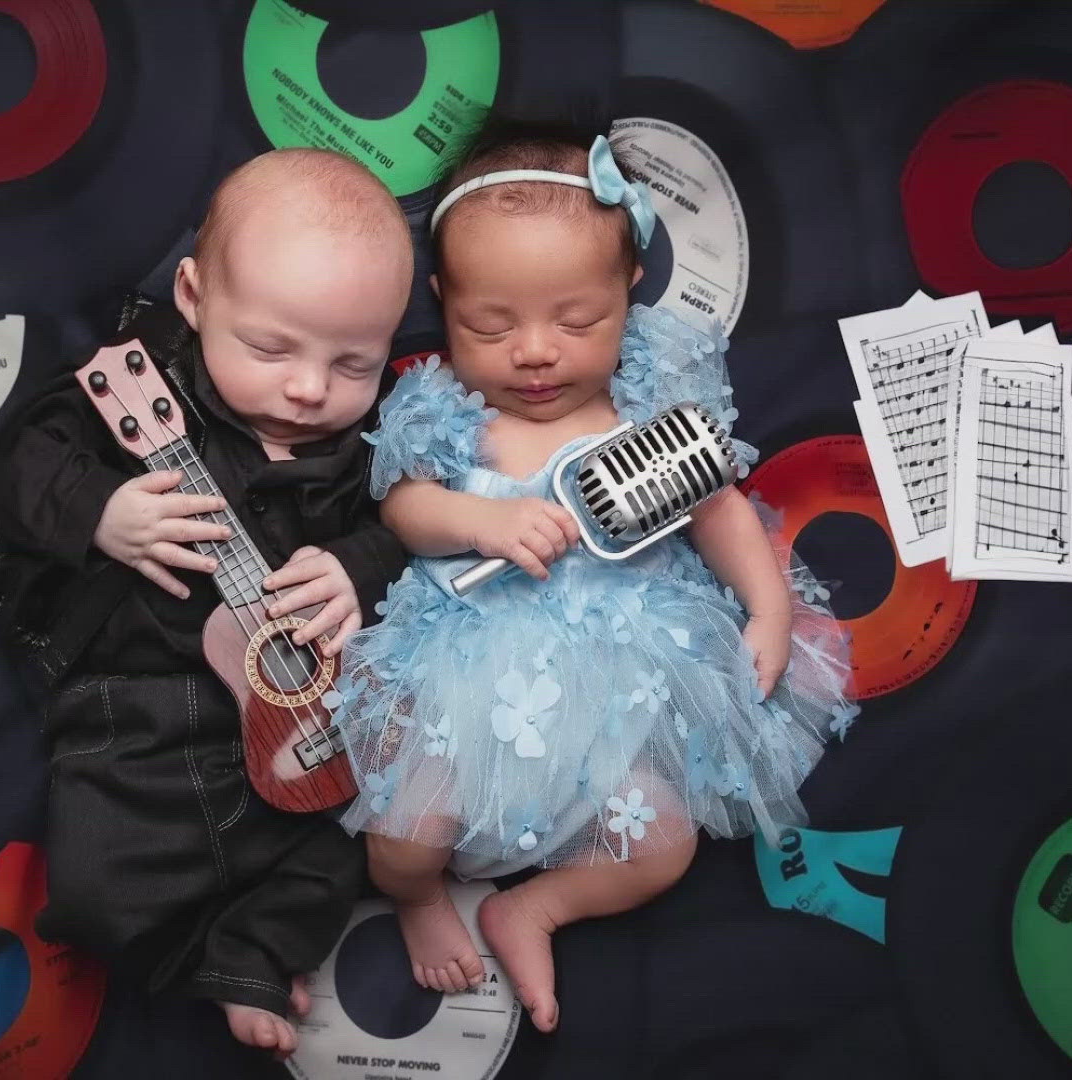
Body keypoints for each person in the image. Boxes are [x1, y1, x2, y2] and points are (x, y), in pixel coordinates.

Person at [329, 116, 859, 1033]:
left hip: (628, 678)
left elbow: (719, 505)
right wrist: (479, 519)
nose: (535, 351)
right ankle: (421, 900)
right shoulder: (448, 407)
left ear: (631, 289)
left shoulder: (649, 398)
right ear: (442, 298)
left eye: (579, 320)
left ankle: (535, 906)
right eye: (487, 324)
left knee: (661, 849)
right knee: (402, 843)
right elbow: (403, 511)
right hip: (470, 672)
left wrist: (767, 606)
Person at [0, 147, 414, 1059]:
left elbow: (408, 529)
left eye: (354, 363)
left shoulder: (370, 444)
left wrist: (355, 567)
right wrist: (100, 512)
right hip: (139, 709)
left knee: (357, 835)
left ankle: (252, 954)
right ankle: (191, 953)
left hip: (307, 707)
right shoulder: (133, 392)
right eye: (269, 348)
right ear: (193, 297)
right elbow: (21, 461)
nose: (308, 388)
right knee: (97, 891)